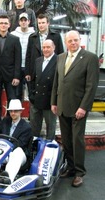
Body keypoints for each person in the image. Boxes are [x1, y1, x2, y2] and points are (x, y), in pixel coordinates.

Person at [51, 30, 99, 187]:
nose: (73, 43)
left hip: (79, 108)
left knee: (77, 140)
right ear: (66, 42)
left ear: (80, 40)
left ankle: (79, 172)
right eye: (70, 41)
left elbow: (91, 87)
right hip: (62, 106)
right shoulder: (60, 57)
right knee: (66, 140)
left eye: (75, 40)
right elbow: (57, 83)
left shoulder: (90, 58)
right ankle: (70, 168)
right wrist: (54, 102)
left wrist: (84, 107)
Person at [0, 14, 22, 129]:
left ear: (9, 25)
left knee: (12, 100)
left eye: (5, 23)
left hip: (10, 75)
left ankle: (9, 121)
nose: (3, 25)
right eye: (1, 23)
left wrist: (17, 76)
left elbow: (18, 59)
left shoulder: (15, 40)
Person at [0, 99, 32, 183]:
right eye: (11, 111)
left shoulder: (26, 127)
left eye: (15, 111)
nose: (13, 113)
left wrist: (4, 147)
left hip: (19, 154)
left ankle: (7, 178)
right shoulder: (5, 121)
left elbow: (20, 144)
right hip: (3, 152)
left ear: (20, 111)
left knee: (17, 152)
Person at [30, 39, 57, 140]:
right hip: (36, 99)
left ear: (53, 48)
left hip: (50, 100)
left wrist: (55, 100)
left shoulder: (58, 60)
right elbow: (33, 79)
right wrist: (31, 95)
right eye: (44, 47)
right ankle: (34, 146)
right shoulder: (38, 60)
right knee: (34, 127)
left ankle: (50, 147)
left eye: (48, 47)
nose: (45, 49)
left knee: (50, 128)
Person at [25, 14, 64, 84]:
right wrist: (27, 72)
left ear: (48, 23)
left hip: (51, 70)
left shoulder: (56, 36)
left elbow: (61, 54)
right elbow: (28, 55)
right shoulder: (32, 37)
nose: (41, 25)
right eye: (39, 23)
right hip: (35, 71)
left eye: (43, 23)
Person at [11, 13, 35, 101]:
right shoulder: (13, 34)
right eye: (22, 20)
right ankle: (17, 114)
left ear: (29, 21)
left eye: (25, 20)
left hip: (29, 67)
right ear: (19, 22)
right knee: (17, 93)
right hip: (17, 68)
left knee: (31, 93)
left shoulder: (34, 34)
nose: (24, 22)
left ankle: (31, 115)